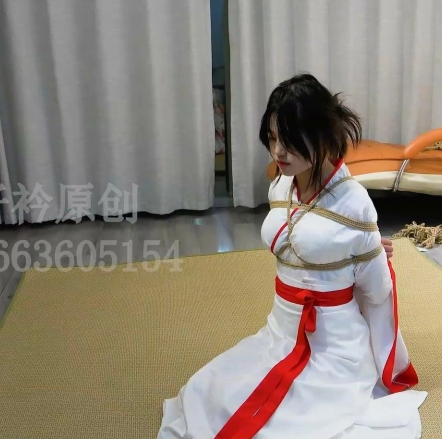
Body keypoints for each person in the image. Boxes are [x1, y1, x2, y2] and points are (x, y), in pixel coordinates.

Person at [157, 74, 427, 439]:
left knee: (291, 425)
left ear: (321, 135)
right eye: (272, 138)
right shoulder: (282, 184)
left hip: (332, 346)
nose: (278, 152)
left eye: (289, 140)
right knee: (209, 392)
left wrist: (369, 255)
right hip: (280, 330)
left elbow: (377, 291)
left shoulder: (354, 203)